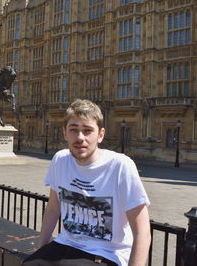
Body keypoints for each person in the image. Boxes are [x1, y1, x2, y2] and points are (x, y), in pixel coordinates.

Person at [23, 99, 151, 266]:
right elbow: (53, 208)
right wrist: (41, 250)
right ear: (64, 133)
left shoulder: (120, 166)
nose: (80, 137)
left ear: (101, 135)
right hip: (65, 243)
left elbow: (143, 231)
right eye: (74, 130)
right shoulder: (60, 160)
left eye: (87, 130)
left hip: (106, 253)